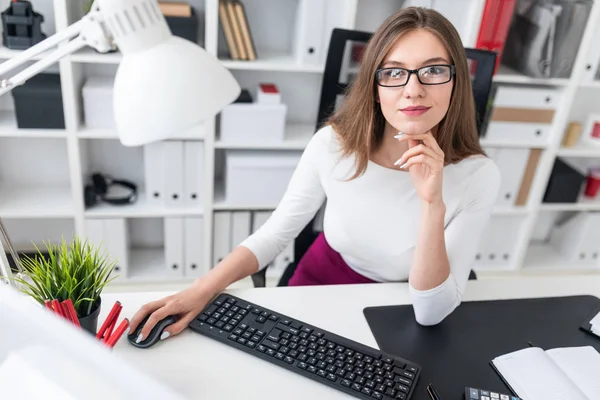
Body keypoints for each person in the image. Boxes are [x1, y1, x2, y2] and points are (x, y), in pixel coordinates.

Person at [129, 6, 500, 342]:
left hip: (399, 306)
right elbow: (276, 233)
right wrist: (201, 289)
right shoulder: (333, 145)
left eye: (434, 70)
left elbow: (430, 312)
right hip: (319, 281)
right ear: (374, 86)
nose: (413, 90)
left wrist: (432, 203)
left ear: (456, 82)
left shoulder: (478, 177)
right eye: (394, 73)